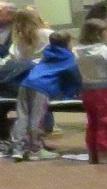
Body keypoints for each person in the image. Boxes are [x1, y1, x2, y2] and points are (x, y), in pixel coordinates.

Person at [13, 29, 79, 161]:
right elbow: (75, 78)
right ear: (68, 43)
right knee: (37, 119)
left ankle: (18, 149)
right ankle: (36, 149)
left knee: (22, 117)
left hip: (26, 84)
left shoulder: (47, 52)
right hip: (42, 88)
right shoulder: (68, 58)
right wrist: (72, 93)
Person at [73, 20, 107, 165]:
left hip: (87, 90)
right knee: (105, 122)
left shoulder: (78, 52)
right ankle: (102, 154)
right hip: (106, 90)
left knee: (92, 122)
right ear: (99, 34)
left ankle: (92, 153)